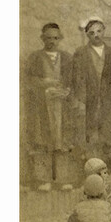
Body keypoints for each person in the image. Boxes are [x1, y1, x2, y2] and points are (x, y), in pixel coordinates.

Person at [25, 23, 75, 191]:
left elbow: (74, 81)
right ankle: (42, 180)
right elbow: (28, 81)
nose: (52, 41)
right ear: (42, 38)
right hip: (42, 107)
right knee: (42, 140)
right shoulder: (35, 58)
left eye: (55, 38)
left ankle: (62, 179)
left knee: (62, 142)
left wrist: (67, 91)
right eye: (48, 38)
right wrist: (45, 85)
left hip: (62, 108)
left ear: (60, 39)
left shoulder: (67, 58)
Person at [72, 16, 111, 159]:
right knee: (90, 134)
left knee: (108, 134)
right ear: (87, 35)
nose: (96, 35)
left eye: (99, 31)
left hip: (108, 101)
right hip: (89, 101)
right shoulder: (80, 53)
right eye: (92, 33)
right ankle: (92, 166)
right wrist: (80, 100)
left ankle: (108, 168)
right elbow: (77, 79)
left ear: (104, 31)